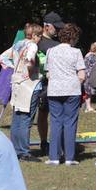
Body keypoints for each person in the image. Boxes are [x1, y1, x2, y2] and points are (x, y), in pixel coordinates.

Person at [0, 23, 43, 162]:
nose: (40, 39)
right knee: (26, 119)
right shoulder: (32, 45)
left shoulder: (18, 44)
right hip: (29, 85)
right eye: (39, 36)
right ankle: (24, 151)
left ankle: (15, 149)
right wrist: (30, 69)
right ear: (34, 35)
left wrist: (14, 68)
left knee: (17, 118)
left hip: (16, 83)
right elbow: (30, 59)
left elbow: (2, 58)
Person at [45, 23, 86, 165]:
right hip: (72, 90)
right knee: (70, 123)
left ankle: (54, 158)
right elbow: (82, 74)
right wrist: (76, 83)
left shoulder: (50, 51)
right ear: (73, 38)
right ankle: (69, 158)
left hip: (54, 90)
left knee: (55, 122)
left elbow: (48, 73)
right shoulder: (76, 52)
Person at [36, 12, 64, 154]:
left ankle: (58, 144)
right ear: (46, 27)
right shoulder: (37, 42)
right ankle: (43, 143)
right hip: (42, 86)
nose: (58, 30)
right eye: (55, 27)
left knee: (57, 116)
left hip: (57, 84)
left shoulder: (58, 44)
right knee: (42, 114)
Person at [82, 41, 96, 113]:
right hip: (89, 76)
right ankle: (88, 107)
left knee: (88, 92)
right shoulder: (92, 56)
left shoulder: (88, 55)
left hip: (87, 75)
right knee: (88, 92)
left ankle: (88, 107)